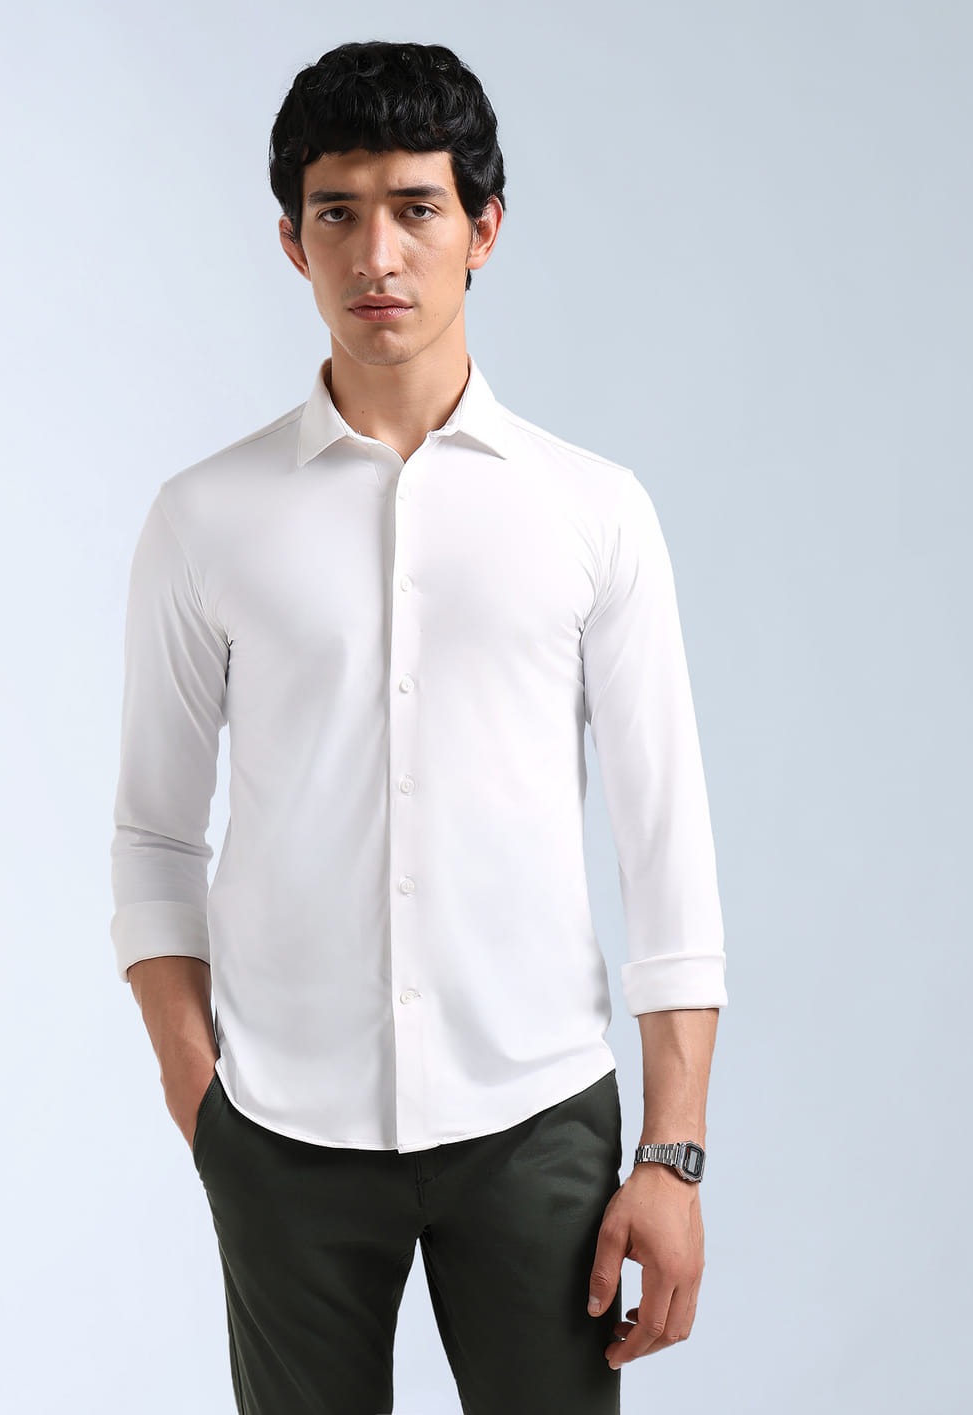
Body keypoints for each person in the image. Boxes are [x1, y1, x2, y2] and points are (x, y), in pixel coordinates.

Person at [109, 39, 727, 1415]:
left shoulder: (594, 512)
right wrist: (200, 1096)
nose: (376, 253)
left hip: (536, 1121)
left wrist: (672, 1154)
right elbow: (154, 833)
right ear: (293, 241)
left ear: (483, 229)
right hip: (280, 1132)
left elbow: (666, 846)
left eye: (416, 207)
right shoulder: (205, 518)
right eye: (337, 212)